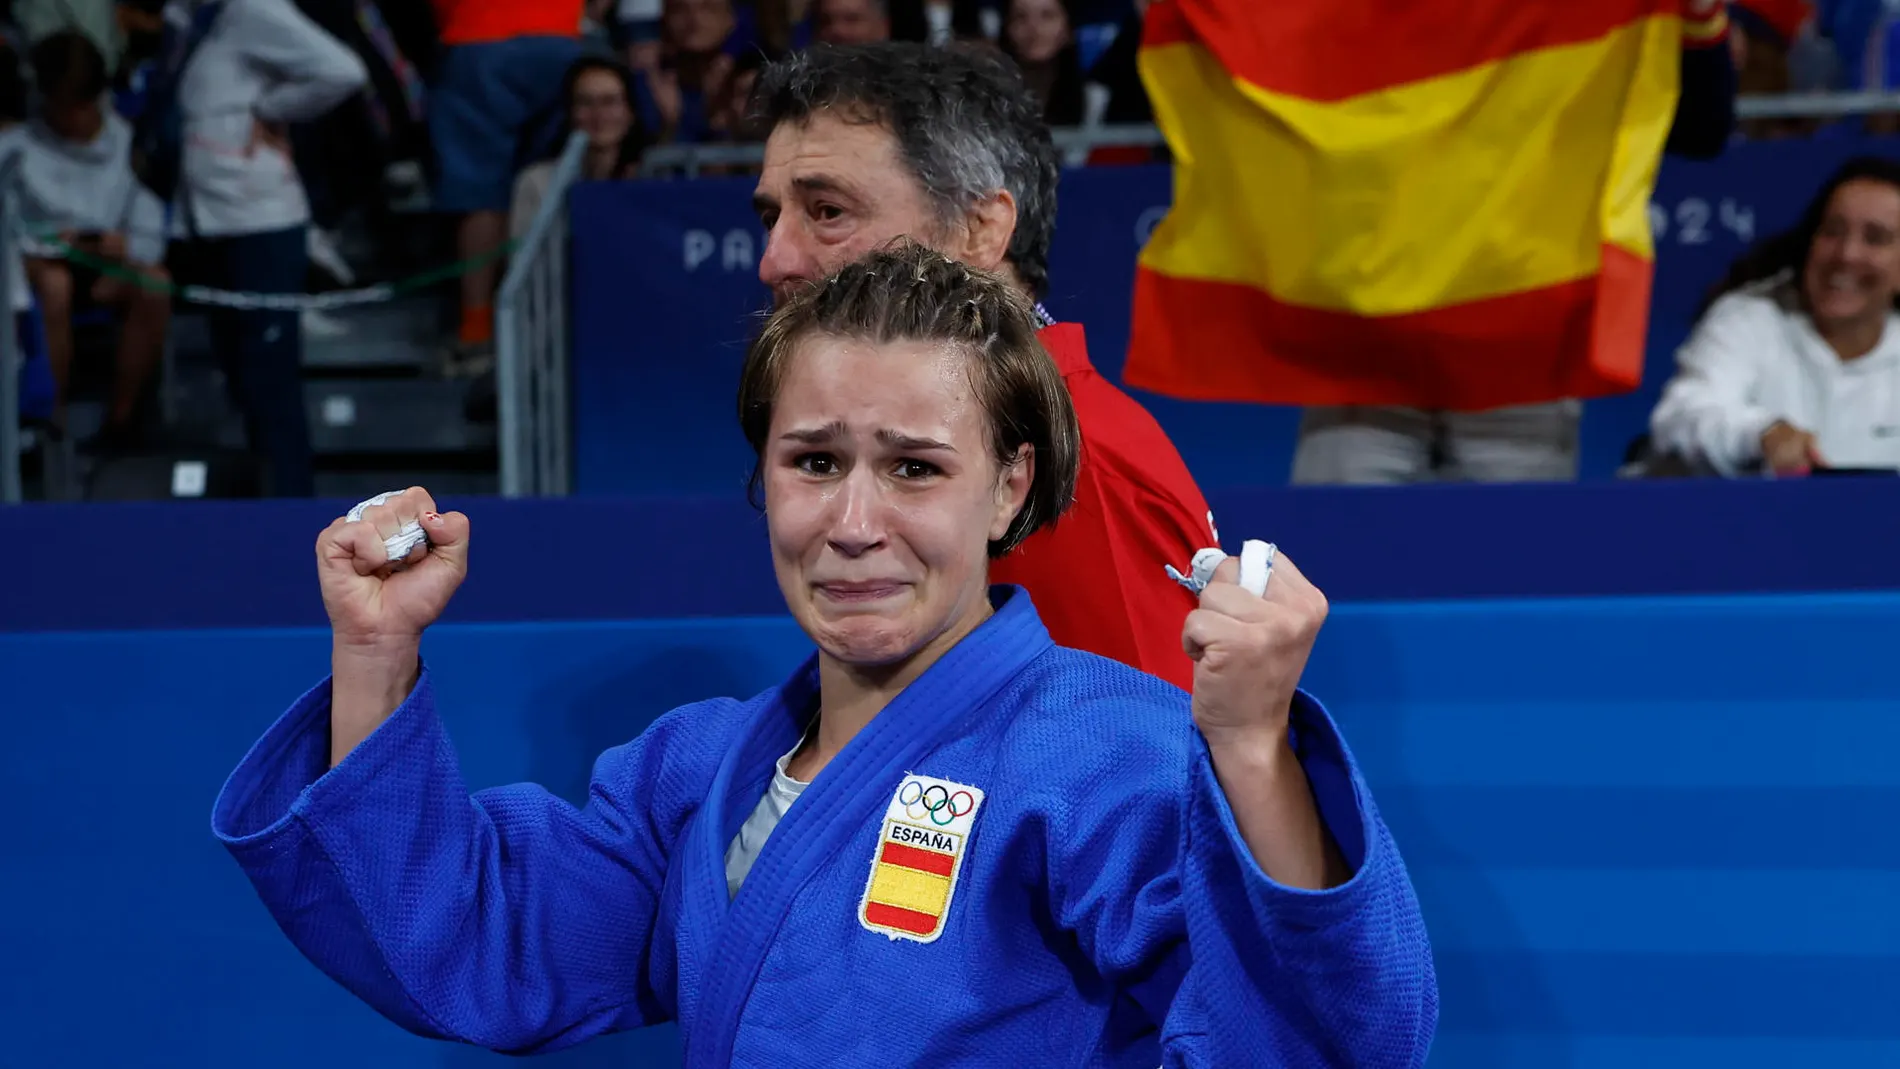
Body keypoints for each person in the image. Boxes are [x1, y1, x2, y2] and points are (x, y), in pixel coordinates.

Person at [211, 243, 1436, 1065]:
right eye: (813, 462)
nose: (854, 523)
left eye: (914, 466)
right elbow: (475, 937)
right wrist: (373, 649)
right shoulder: (696, 770)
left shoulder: (1102, 745)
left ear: (1008, 487)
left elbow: (1322, 1043)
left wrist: (1250, 747)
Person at [749, 42, 1214, 689]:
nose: (776, 260)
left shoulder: (1077, 469)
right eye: (772, 216)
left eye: (827, 211)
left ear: (980, 230)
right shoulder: (1028, 434)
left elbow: (1154, 777)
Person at [172, 0, 367, 496]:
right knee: (242, 381)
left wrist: (270, 109)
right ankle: (260, 506)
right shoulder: (198, 19)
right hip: (211, 220)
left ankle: (290, 513)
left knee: (270, 385)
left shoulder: (253, 9)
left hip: (261, 220)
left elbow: (343, 71)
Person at [1650, 156, 1900, 476]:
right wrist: (1761, 435)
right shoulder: (1749, 319)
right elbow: (1681, 418)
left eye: (1875, 238)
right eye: (1832, 232)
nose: (1847, 254)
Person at [4, 30, 171, 448]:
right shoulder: (15, 148)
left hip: (107, 270)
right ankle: (51, 418)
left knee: (154, 284)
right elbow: (9, 229)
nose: (70, 119)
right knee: (55, 287)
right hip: (41, 268)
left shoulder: (128, 143)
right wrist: (50, 242)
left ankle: (121, 423)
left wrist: (124, 247)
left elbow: (150, 231)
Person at [509, 55, 648, 242]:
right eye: (585, 102)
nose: (598, 114)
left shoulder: (652, 180)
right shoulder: (538, 184)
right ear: (570, 113)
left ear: (630, 113)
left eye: (609, 101)